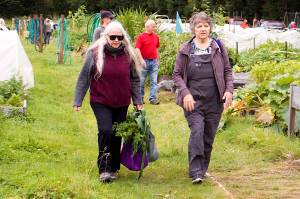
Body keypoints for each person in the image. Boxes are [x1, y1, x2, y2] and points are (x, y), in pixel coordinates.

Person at [73, 21, 143, 183]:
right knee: (106, 131)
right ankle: (104, 168)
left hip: (121, 101)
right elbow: (84, 77)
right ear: (106, 37)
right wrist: (78, 100)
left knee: (117, 133)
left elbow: (135, 80)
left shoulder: (128, 54)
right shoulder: (95, 53)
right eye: (113, 37)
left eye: (120, 37)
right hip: (100, 100)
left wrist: (137, 100)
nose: (116, 40)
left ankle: (114, 167)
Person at [172, 12, 233, 184]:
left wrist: (229, 90)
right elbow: (176, 75)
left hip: (214, 100)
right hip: (193, 101)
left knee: (208, 136)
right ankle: (196, 171)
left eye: (206, 25)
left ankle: (202, 168)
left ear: (210, 28)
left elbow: (227, 71)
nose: (203, 29)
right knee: (197, 131)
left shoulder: (218, 47)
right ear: (193, 29)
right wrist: (186, 93)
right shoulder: (185, 49)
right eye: (199, 26)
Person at [135, 19, 160, 105]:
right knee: (141, 81)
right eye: (153, 26)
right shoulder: (141, 37)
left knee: (154, 81)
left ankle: (153, 99)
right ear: (148, 27)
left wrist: (158, 60)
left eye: (155, 26)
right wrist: (141, 60)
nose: (155, 28)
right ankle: (140, 99)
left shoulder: (156, 37)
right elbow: (137, 48)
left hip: (154, 62)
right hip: (144, 62)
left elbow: (156, 49)